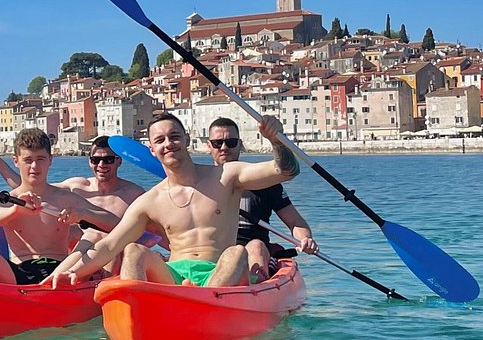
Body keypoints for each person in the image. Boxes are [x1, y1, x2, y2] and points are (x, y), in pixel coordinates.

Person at [44, 112, 300, 288]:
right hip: (175, 275)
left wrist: (276, 140)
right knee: (134, 250)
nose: (169, 143)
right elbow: (110, 245)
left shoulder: (226, 175)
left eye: (174, 136)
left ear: (186, 139)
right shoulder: (150, 201)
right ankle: (137, 318)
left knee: (236, 252)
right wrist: (72, 274)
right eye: (160, 140)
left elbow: (286, 171)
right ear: (152, 150)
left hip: (219, 271)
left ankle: (203, 306)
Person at [0, 127, 121, 284]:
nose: (34, 166)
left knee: (97, 236)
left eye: (40, 159)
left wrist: (82, 214)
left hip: (61, 270)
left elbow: (116, 225)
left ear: (50, 160)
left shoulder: (65, 197)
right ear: (16, 161)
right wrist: (16, 210)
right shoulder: (11, 198)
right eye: (28, 160)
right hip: (19, 271)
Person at [207, 117, 318, 282]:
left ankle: (254, 286)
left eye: (231, 142)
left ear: (240, 144)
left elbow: (295, 221)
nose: (224, 148)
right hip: (214, 252)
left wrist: (305, 239)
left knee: (256, 246)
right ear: (208, 146)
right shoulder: (199, 183)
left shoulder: (265, 182)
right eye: (217, 143)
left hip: (254, 250)